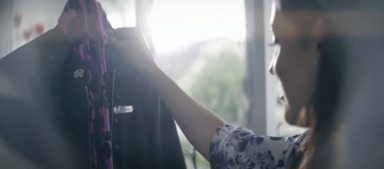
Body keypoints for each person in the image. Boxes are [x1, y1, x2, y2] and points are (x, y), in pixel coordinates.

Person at [112, 0, 334, 168]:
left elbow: (228, 145)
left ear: (317, 44)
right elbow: (228, 144)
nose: (272, 67)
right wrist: (150, 68)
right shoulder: (304, 151)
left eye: (277, 41)